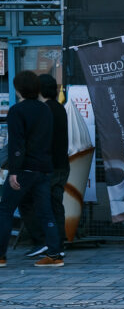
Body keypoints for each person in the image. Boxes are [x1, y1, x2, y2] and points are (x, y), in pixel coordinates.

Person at [0, 71, 63, 268]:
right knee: (45, 212)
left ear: (18, 89)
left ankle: (1, 256)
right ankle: (54, 254)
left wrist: (14, 171)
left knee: (5, 210)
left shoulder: (17, 111)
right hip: (44, 168)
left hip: (24, 169)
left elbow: (17, 144)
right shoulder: (46, 110)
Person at [20, 74, 69, 258]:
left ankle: (42, 241)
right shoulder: (59, 108)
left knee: (31, 202)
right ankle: (58, 243)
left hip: (46, 166)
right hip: (62, 164)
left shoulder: (43, 110)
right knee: (56, 204)